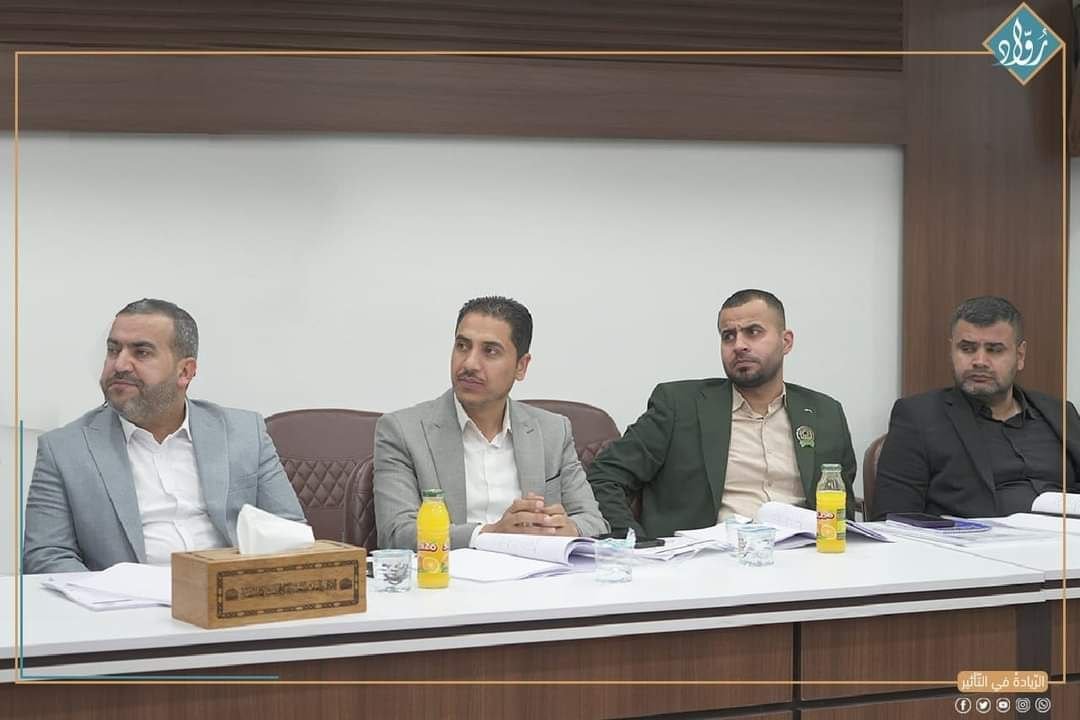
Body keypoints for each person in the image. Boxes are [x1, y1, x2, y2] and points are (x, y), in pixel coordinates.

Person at [23, 299, 305, 574]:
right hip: (123, 601)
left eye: (141, 352)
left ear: (185, 372)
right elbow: (46, 556)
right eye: (113, 350)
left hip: (230, 594)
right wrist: (117, 595)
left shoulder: (244, 432)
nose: (120, 364)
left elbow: (289, 531)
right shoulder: (64, 449)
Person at [587, 289, 856, 539]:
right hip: (708, 558)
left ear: (786, 342)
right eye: (728, 336)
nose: (739, 345)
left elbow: (841, 502)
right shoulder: (679, 405)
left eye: (753, 332)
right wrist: (635, 543)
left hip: (805, 554)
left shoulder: (826, 413)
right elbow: (605, 475)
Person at [374, 295, 607, 550]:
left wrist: (565, 528)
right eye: (462, 346)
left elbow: (594, 522)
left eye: (490, 351)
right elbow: (397, 534)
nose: (470, 363)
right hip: (450, 573)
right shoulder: (402, 431)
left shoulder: (552, 431)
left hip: (535, 572)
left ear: (521, 366)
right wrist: (489, 534)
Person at [874, 296, 1080, 519]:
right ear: (951, 351)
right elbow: (893, 519)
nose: (980, 361)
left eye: (994, 350)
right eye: (967, 348)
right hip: (974, 539)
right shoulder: (918, 417)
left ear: (1020, 356)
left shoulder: (1060, 413)